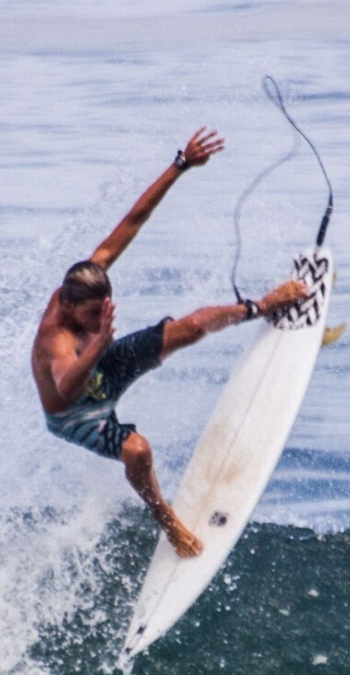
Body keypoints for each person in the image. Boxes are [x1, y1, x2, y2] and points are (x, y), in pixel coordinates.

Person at [31, 128, 308, 558]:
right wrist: (102, 340)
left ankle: (262, 306)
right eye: (91, 314)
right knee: (138, 451)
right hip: (74, 412)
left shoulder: (88, 279)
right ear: (67, 305)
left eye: (105, 307)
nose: (101, 315)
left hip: (101, 367)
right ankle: (168, 521)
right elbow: (67, 387)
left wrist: (180, 164)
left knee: (192, 326)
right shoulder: (56, 338)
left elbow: (132, 223)